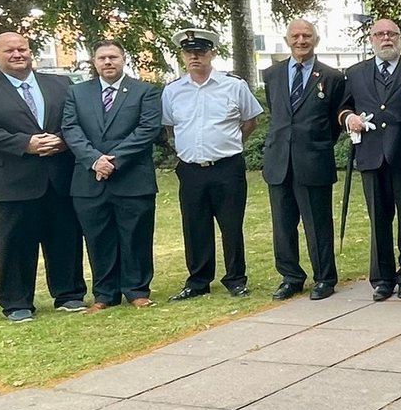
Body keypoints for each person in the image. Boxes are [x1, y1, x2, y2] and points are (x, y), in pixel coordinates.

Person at [0, 32, 86, 321]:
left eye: (22, 49)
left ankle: (69, 294)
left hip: (59, 177)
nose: (17, 54)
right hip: (9, 182)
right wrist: (24, 144)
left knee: (65, 237)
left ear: (30, 52)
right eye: (9, 51)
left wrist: (63, 140)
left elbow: (79, 119)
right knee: (13, 243)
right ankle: (17, 302)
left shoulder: (60, 84)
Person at [160, 28, 263, 301]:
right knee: (195, 226)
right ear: (182, 56)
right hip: (191, 169)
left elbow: (251, 120)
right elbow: (169, 127)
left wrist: (229, 143)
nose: (195, 57)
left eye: (201, 52)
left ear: (212, 53)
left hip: (227, 167)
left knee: (231, 225)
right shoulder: (172, 91)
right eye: (189, 52)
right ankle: (198, 281)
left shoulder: (233, 85)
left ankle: (236, 278)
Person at [60, 40, 163, 311]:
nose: (108, 62)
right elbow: (70, 129)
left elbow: (148, 129)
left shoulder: (144, 92)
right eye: (102, 58)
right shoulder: (77, 93)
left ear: (123, 59)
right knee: (98, 239)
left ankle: (137, 290)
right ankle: (104, 295)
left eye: (113, 57)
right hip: (89, 180)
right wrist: (94, 160)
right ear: (94, 62)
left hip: (132, 178)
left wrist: (113, 161)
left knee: (136, 237)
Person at [340, 18, 401, 301]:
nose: (386, 38)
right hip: (370, 154)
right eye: (380, 34)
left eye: (391, 33)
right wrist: (349, 118)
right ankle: (382, 279)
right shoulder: (355, 73)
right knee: (378, 219)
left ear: (400, 38)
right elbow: (343, 108)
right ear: (371, 39)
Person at [260, 19, 347, 301]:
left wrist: (316, 143)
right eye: (295, 36)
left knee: (318, 224)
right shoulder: (272, 74)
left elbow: (335, 120)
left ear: (316, 40)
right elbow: (278, 113)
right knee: (283, 225)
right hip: (279, 161)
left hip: (313, 160)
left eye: (306, 35)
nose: (301, 41)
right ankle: (291, 277)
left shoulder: (331, 77)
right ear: (287, 40)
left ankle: (325, 277)